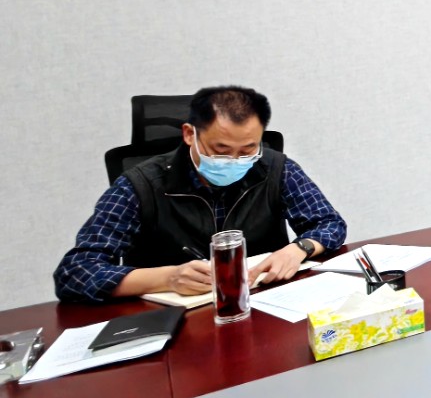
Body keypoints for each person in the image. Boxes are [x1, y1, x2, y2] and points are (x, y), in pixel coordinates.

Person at [54, 86, 347, 303]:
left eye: (247, 149)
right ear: (189, 134)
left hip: (262, 306)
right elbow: (75, 273)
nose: (234, 160)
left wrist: (299, 249)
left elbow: (329, 223)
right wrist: (168, 278)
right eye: (221, 150)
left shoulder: (275, 168)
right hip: (176, 322)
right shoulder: (139, 185)